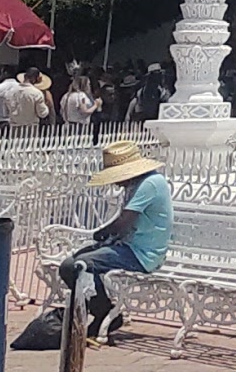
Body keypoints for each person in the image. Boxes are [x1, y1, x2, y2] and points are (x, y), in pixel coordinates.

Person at [59, 136, 175, 340]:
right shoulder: (138, 184)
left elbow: (124, 222)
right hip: (127, 247)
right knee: (72, 263)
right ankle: (95, 308)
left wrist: (102, 234)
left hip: (142, 254)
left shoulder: (150, 183)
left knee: (81, 264)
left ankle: (105, 313)